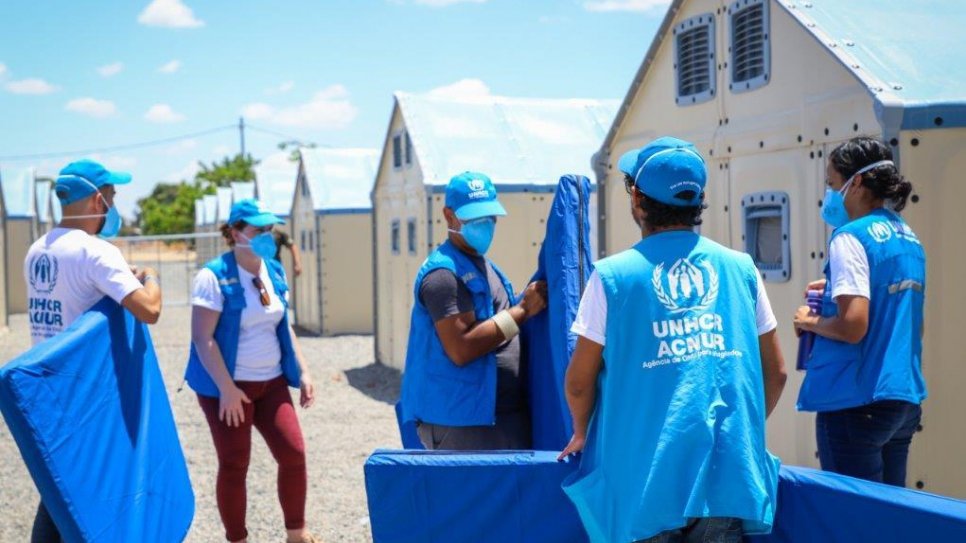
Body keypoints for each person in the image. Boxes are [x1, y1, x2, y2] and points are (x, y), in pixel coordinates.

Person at [559, 137, 787, 543]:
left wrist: (581, 430)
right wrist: (737, 430)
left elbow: (579, 382)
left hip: (644, 486)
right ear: (697, 203)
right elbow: (777, 374)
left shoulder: (612, 276)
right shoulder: (742, 269)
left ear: (638, 201)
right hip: (727, 481)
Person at [24, 158, 163, 542]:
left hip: (50, 395)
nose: (115, 206)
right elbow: (148, 310)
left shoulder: (37, 250)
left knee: (58, 491)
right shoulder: (96, 252)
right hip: (90, 396)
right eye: (113, 196)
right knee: (97, 493)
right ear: (97, 200)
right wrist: (150, 276)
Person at [794, 136, 926, 487]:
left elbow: (854, 326)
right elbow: (909, 321)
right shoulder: (907, 237)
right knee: (889, 518)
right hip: (902, 401)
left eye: (832, 184)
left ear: (856, 184)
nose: (830, 194)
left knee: (851, 518)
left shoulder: (849, 237)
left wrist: (811, 322)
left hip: (856, 402)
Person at [185, 199, 319, 543]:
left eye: (269, 230)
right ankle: (237, 538)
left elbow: (282, 325)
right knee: (235, 462)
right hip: (227, 386)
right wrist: (227, 390)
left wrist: (302, 371)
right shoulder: (213, 276)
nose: (266, 237)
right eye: (257, 230)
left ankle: (296, 533)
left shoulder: (273, 269)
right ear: (234, 233)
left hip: (271, 381)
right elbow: (203, 340)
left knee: (294, 454)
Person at [400, 171, 548, 450]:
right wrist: (523, 311)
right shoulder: (443, 275)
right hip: (461, 422)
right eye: (473, 218)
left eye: (489, 217)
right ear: (449, 216)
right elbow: (462, 348)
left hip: (495, 417)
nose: (484, 225)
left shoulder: (483, 266)